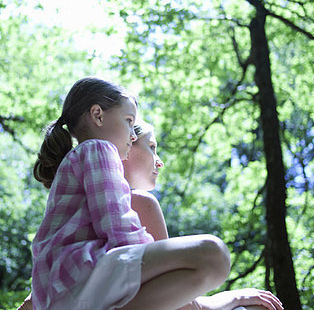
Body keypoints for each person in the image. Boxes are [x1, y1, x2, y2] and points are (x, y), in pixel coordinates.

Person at [24, 77, 283, 310]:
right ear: (98, 115)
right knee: (212, 253)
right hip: (81, 280)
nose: (129, 135)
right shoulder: (99, 149)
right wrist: (165, 261)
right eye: (128, 122)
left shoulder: (77, 164)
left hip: (69, 290)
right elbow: (116, 223)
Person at [122, 120, 284, 310]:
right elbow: (184, 307)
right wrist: (236, 297)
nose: (160, 161)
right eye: (151, 147)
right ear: (126, 145)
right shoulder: (139, 202)